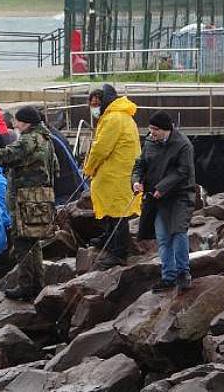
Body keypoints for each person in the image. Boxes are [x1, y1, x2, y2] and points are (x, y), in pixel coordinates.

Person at [0, 105, 58, 300]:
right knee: (34, 242)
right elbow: (54, 169)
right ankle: (37, 284)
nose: (13, 124)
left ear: (25, 123)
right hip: (43, 197)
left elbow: (3, 156)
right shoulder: (46, 139)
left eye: (16, 121)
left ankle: (25, 286)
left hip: (25, 199)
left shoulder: (27, 140)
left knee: (22, 241)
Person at [133, 110, 196, 293]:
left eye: (156, 130)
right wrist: (136, 181)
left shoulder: (183, 145)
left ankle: (183, 273)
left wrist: (163, 187)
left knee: (178, 232)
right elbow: (140, 165)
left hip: (180, 196)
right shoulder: (150, 142)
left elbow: (183, 171)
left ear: (166, 129)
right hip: (156, 198)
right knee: (162, 237)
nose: (152, 133)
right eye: (151, 129)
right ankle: (168, 276)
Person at [83, 84, 141, 270]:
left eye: (97, 103)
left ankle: (118, 252)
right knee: (111, 208)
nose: (94, 107)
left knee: (117, 213)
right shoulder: (118, 115)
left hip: (117, 173)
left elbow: (100, 148)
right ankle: (108, 236)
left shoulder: (113, 118)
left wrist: (88, 168)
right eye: (92, 103)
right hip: (117, 171)